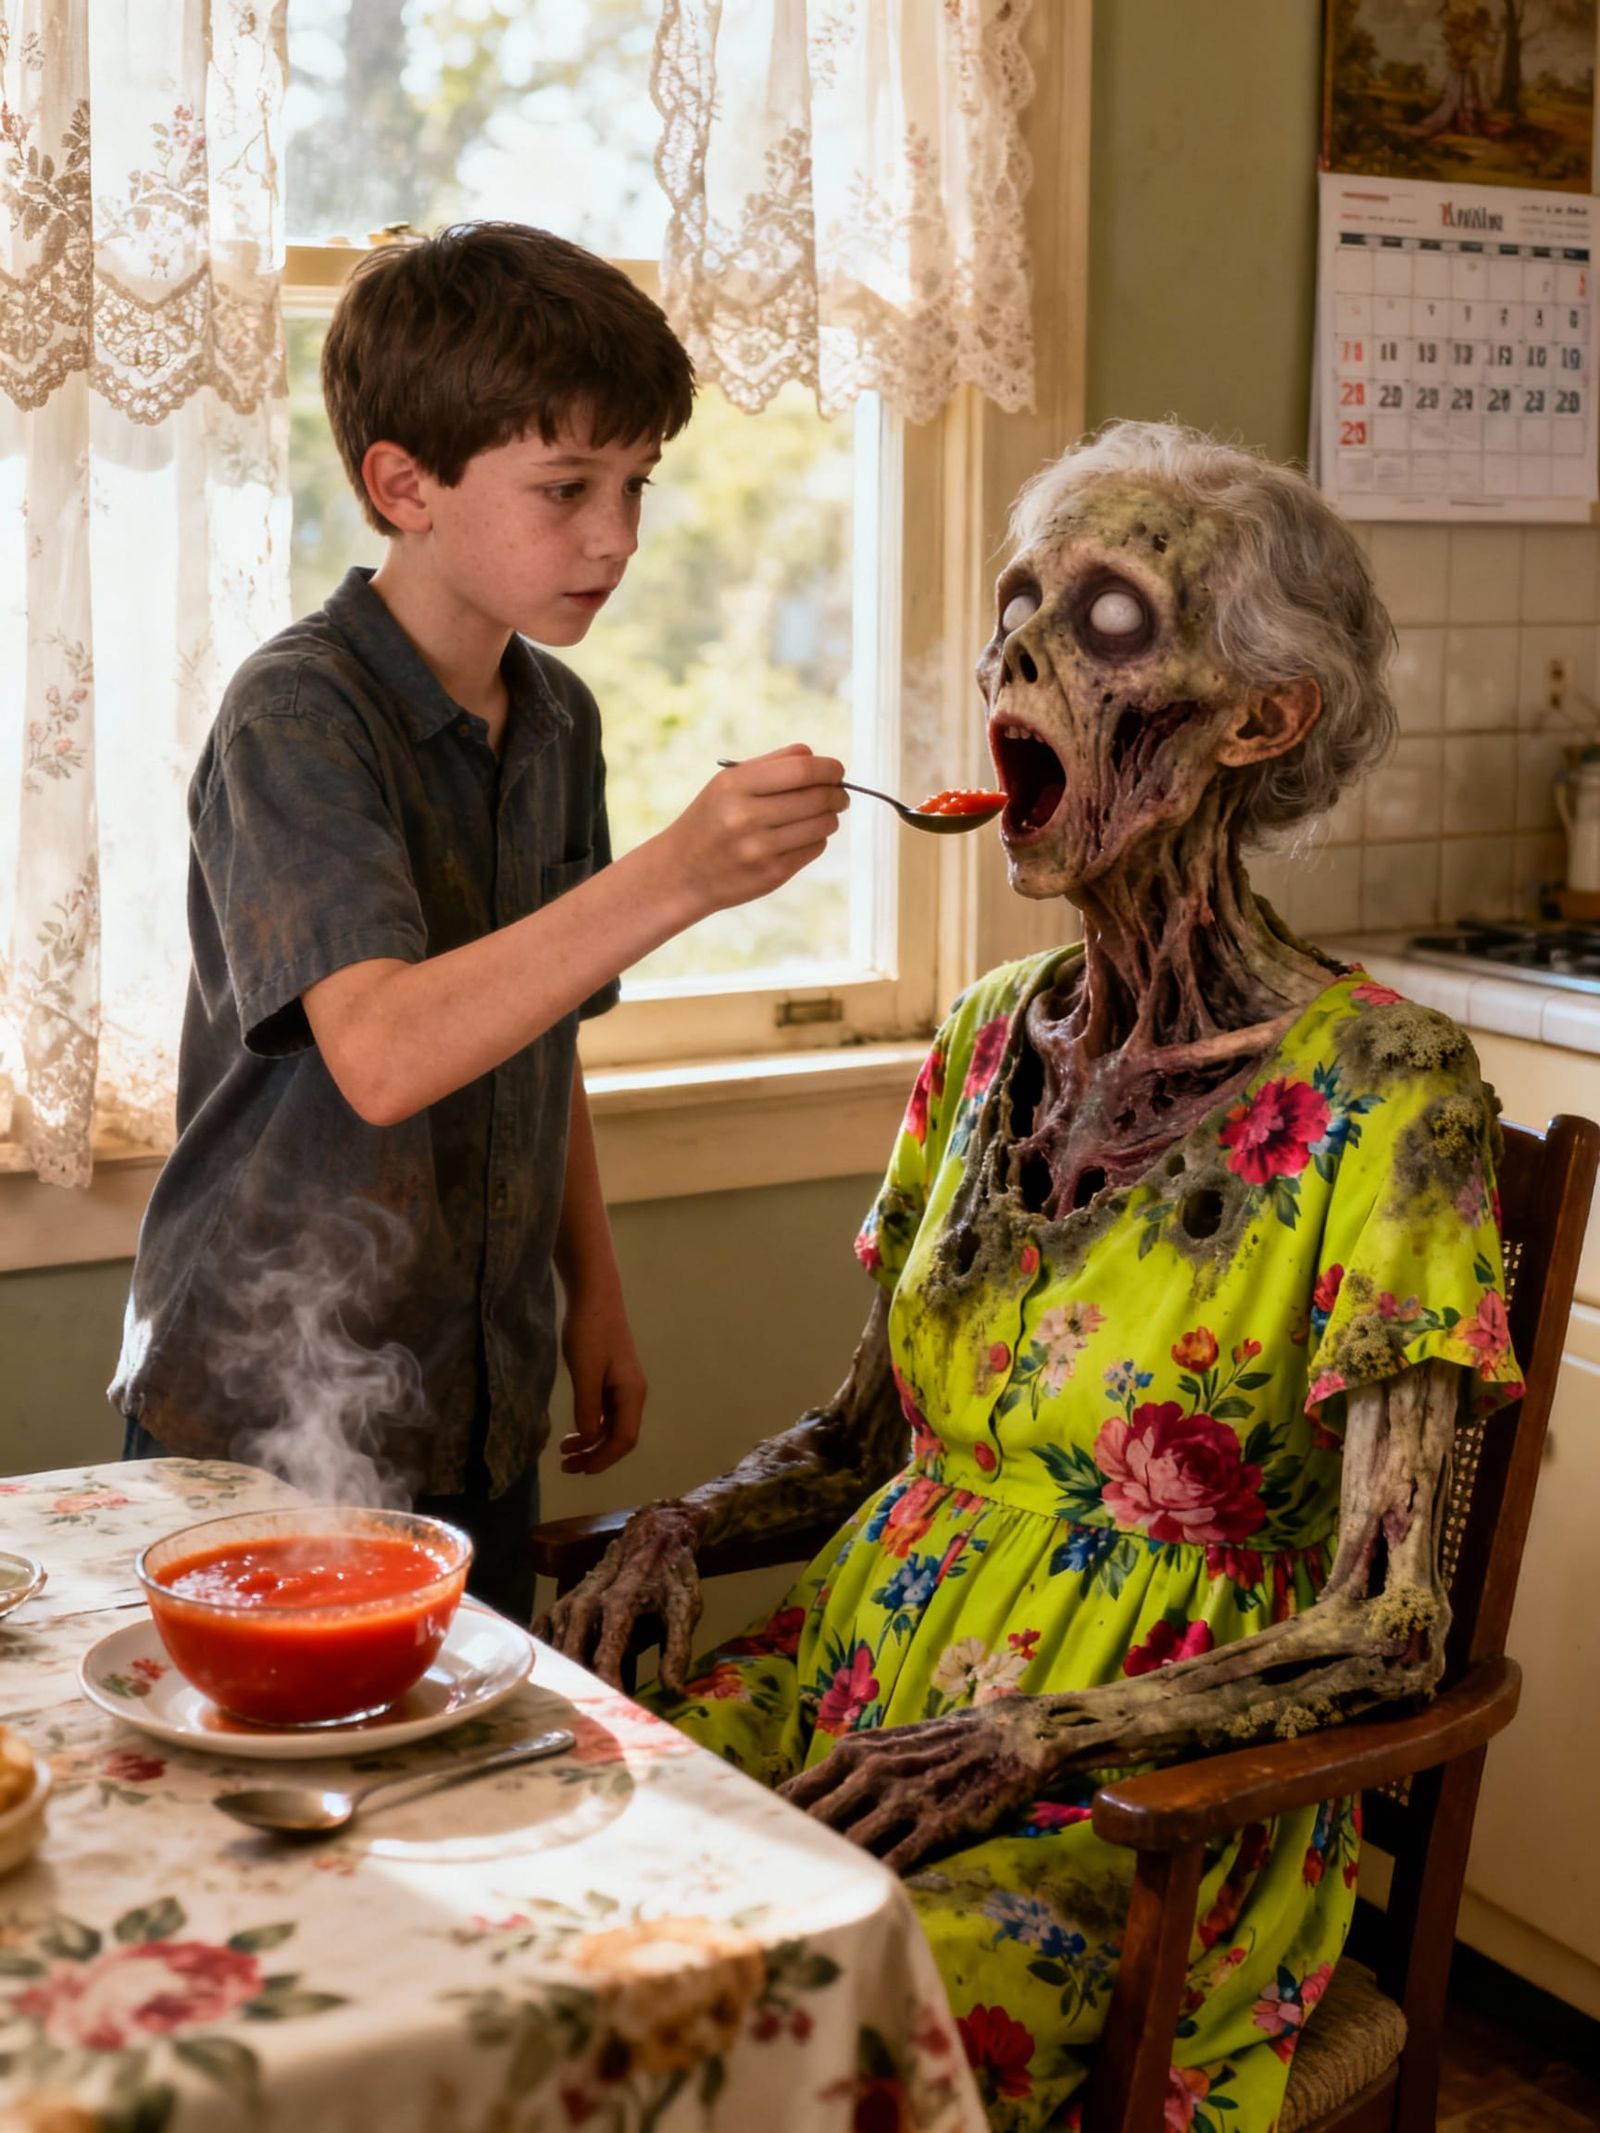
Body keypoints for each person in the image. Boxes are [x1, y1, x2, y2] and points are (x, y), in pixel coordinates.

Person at [540, 421, 1523, 2129]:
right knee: (546, 1880)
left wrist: (1033, 1743)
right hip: (864, 1689)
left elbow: (1394, 1617)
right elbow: (860, 1440)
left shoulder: (1395, 1092)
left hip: (1143, 1803)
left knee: (771, 2011)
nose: (1018, 653)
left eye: (1110, 620)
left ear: (1259, 719)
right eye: (1015, 610)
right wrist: (682, 1522)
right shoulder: (992, 1035)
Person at [110, 222, 848, 1625]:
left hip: (479, 1404)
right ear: (404, 485)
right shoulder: (298, 717)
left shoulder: (560, 718)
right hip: (264, 1410)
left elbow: (542, 1042)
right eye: (566, 486)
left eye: (637, 484)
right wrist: (680, 876)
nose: (617, 536)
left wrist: (596, 1298)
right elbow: (382, 1051)